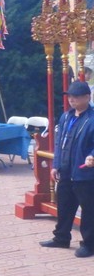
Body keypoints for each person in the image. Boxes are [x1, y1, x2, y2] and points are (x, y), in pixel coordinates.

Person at [40, 82, 94, 258]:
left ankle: (89, 244)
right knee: (64, 206)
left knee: (88, 210)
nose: (72, 100)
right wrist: (56, 165)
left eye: (76, 96)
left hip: (84, 173)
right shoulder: (66, 117)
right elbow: (59, 143)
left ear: (88, 97)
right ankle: (61, 238)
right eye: (70, 96)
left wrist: (92, 156)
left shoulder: (91, 118)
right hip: (65, 170)